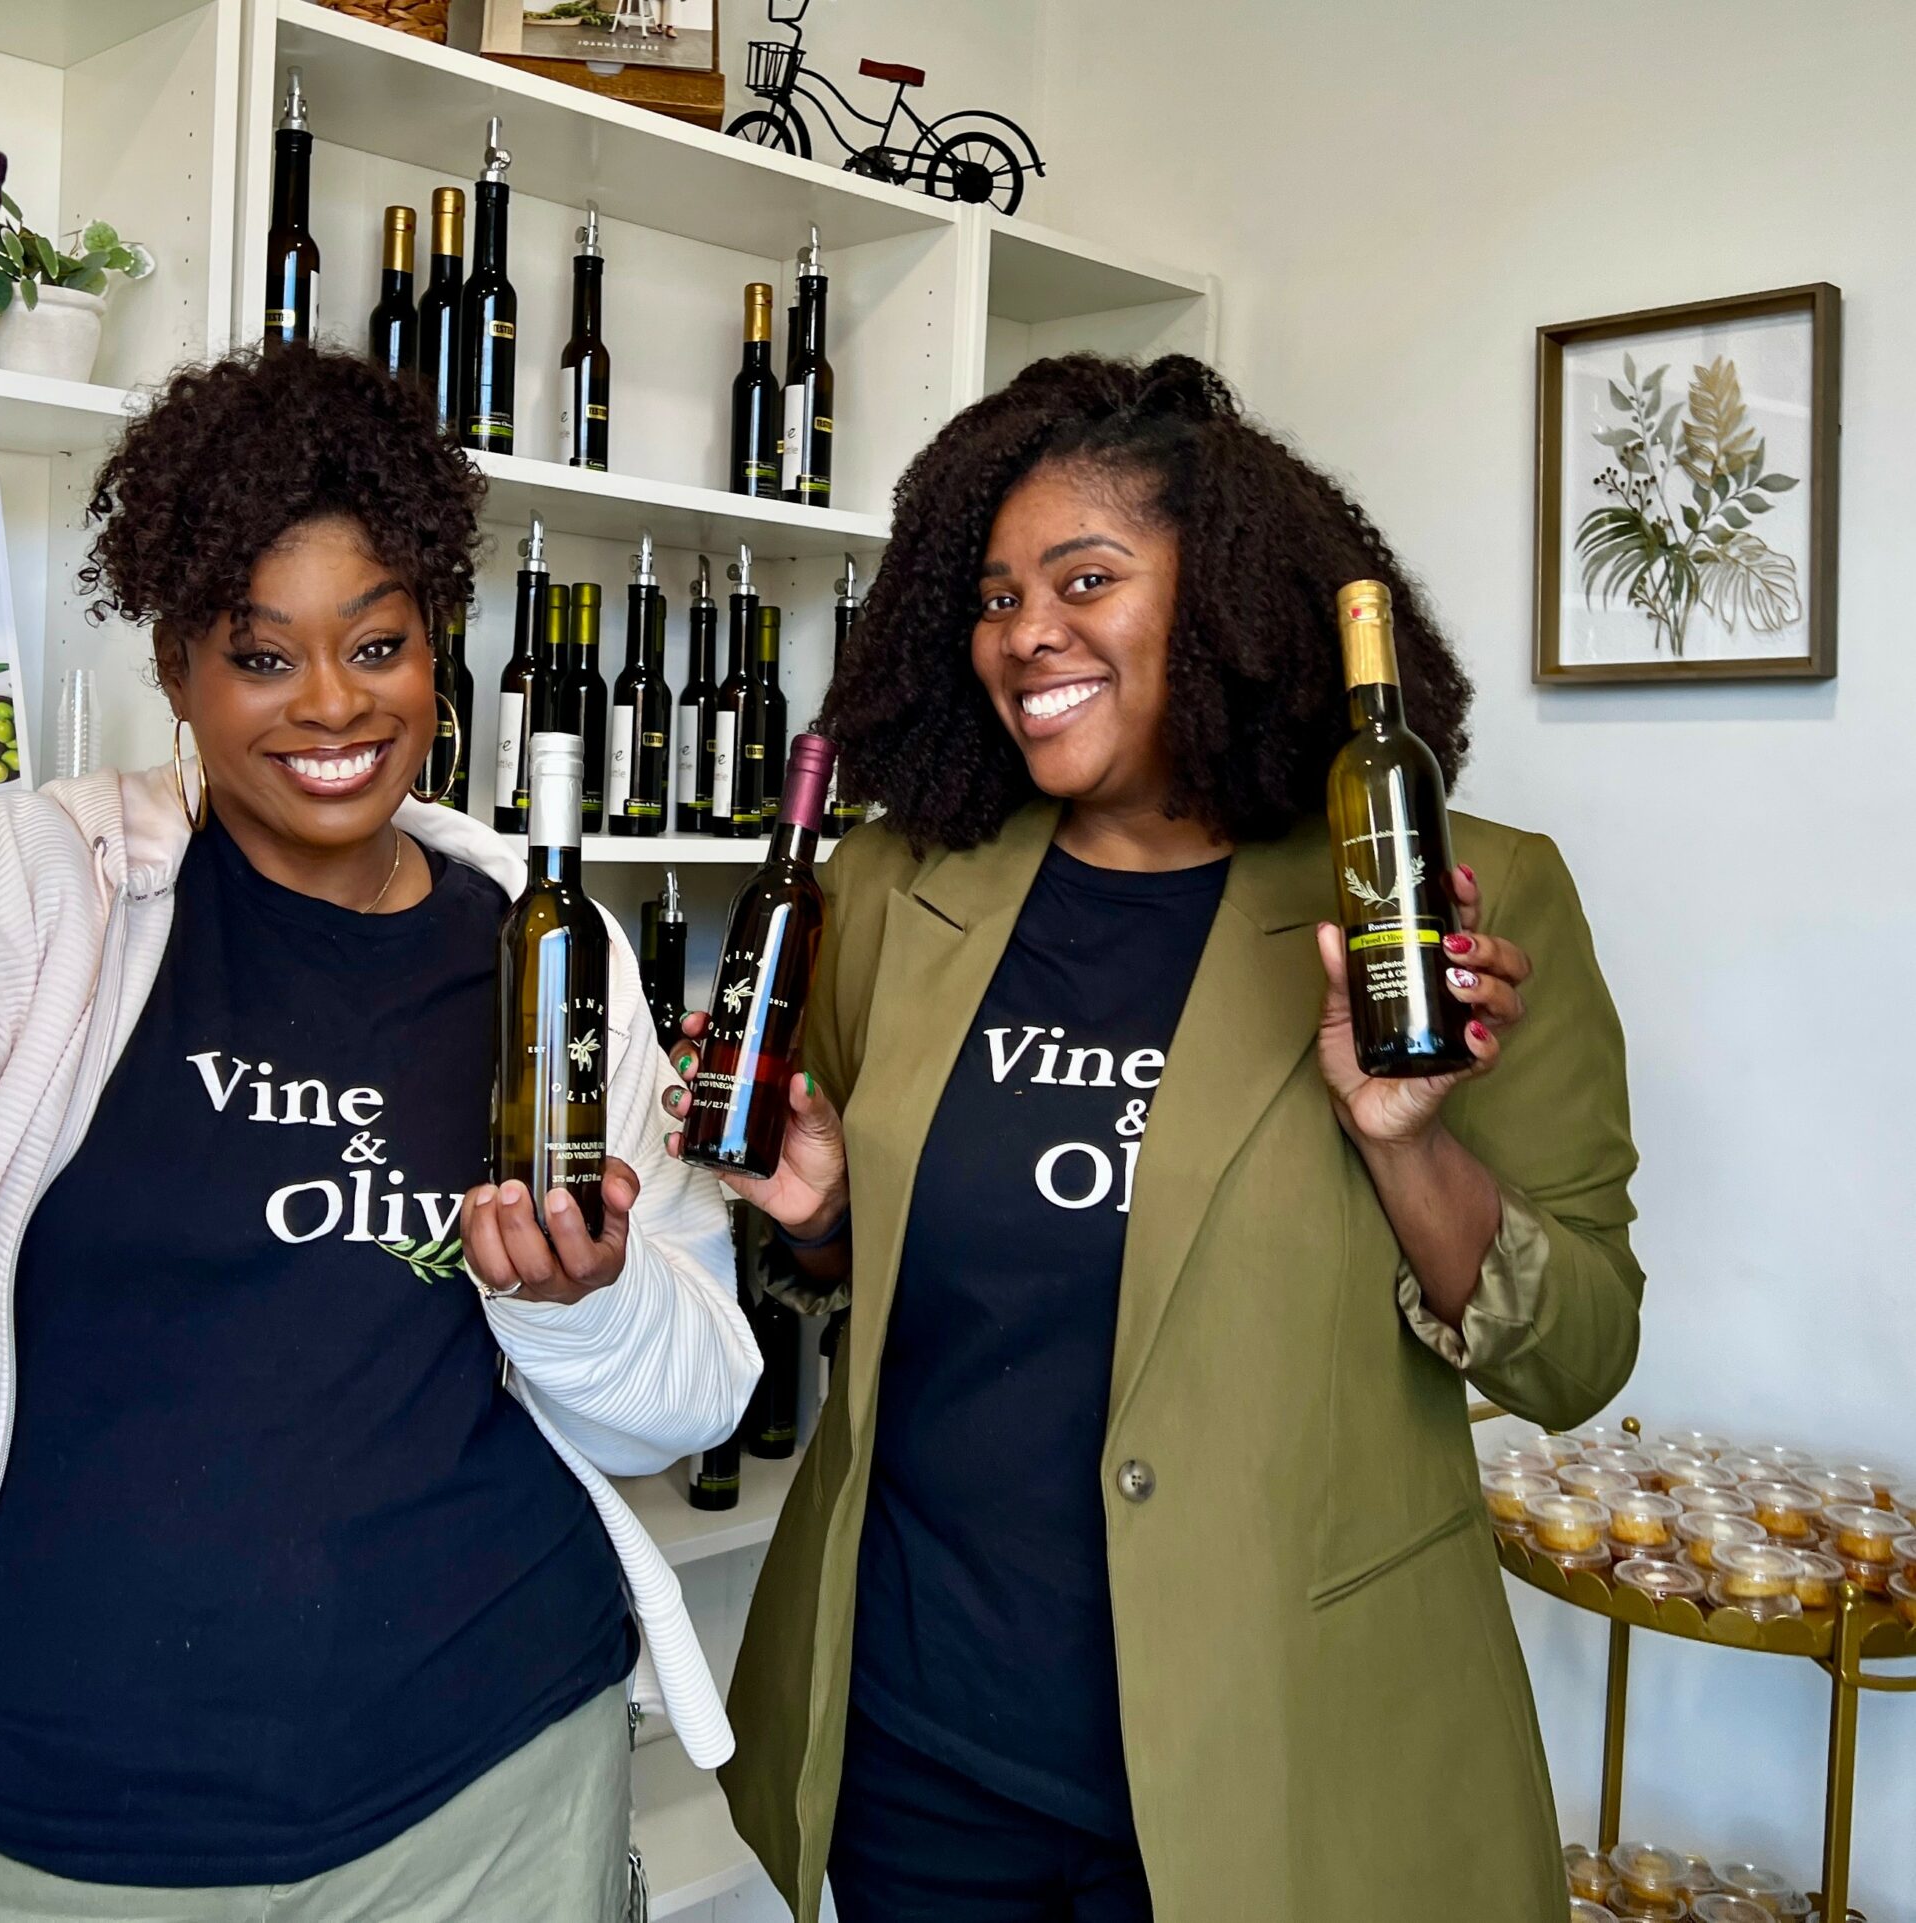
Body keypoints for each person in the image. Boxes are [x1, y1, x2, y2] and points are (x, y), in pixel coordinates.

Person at [0, 345, 756, 1922]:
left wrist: (581, 1303)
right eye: (262, 656)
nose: (333, 703)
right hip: (17, 1830)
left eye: (379, 644)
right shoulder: (25, 891)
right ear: (174, 664)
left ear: (440, 648)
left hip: (494, 1785)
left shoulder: (545, 947)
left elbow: (687, 1400)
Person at [680, 354, 1641, 1922]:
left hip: (1274, 1755)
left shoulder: (1445, 897)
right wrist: (822, 1219)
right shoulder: (890, 891)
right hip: (923, 1747)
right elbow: (899, 1280)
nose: (1025, 633)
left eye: (1084, 580)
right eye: (993, 598)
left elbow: (1576, 1354)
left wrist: (1401, 1140)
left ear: (1229, 605)